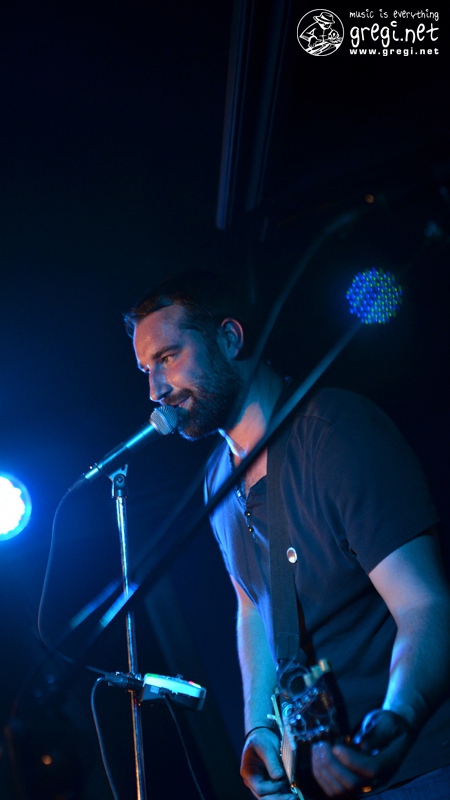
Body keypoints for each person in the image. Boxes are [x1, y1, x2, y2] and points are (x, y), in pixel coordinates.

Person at [124, 269, 450, 799]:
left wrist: (399, 717)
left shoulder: (335, 432)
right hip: (325, 780)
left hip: (422, 765)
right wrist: (259, 727)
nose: (156, 390)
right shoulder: (216, 479)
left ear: (229, 339)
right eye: (146, 370)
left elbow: (425, 603)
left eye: (168, 357)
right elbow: (253, 609)